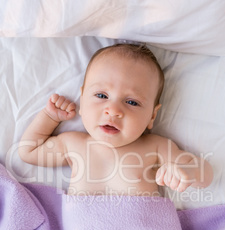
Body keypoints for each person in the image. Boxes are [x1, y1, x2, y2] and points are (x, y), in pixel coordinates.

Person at [19, 43, 213, 197]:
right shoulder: (73, 144)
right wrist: (50, 117)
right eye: (102, 96)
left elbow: (206, 176)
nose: (113, 110)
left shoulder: (155, 147)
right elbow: (29, 151)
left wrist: (186, 171)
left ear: (152, 116)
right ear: (82, 98)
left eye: (131, 102)